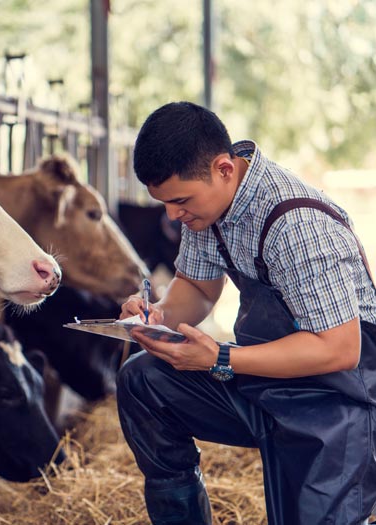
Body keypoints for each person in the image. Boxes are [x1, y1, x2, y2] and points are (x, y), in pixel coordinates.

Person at [116, 101, 376, 525]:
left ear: (223, 168)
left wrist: (220, 358)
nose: (172, 215)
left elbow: (340, 349)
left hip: (337, 399)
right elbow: (199, 288)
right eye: (164, 203)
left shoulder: (295, 225)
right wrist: (156, 316)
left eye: (180, 201)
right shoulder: (210, 209)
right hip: (268, 379)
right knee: (144, 379)